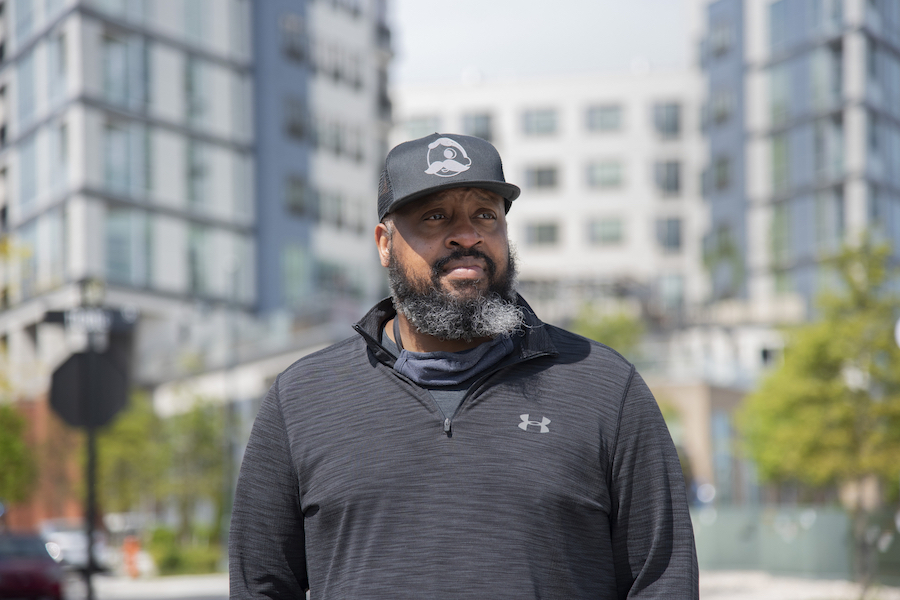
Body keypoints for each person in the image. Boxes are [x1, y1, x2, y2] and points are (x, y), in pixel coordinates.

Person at [229, 133, 699, 599]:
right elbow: (260, 587)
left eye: (485, 215)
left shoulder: (604, 387)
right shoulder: (303, 398)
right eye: (436, 217)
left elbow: (663, 582)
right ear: (384, 243)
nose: (467, 235)